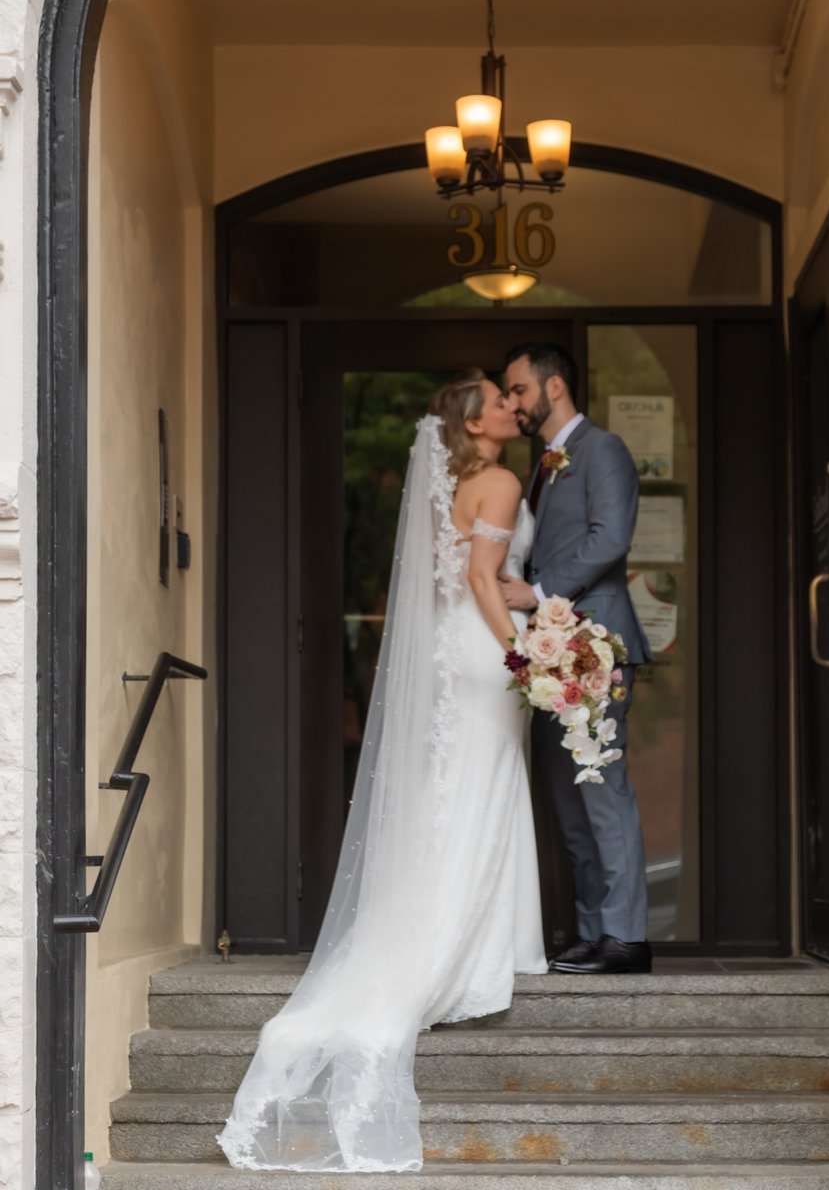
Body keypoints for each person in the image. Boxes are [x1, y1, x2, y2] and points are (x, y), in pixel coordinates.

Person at [218, 371, 546, 1173]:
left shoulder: (457, 486)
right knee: (483, 788)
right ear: (473, 425)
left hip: (455, 655)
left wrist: (524, 606)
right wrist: (527, 652)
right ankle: (472, 955)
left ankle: (467, 941)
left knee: (458, 792)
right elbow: (477, 582)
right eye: (498, 402)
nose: (512, 406)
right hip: (485, 651)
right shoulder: (500, 479)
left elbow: (465, 577)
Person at [500, 342, 654, 975]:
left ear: (553, 386)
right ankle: (593, 930)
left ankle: (626, 937)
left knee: (602, 789)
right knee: (568, 799)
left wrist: (537, 592)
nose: (512, 402)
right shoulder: (545, 464)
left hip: (597, 645)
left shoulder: (604, 450)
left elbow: (609, 539)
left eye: (517, 390)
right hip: (550, 653)